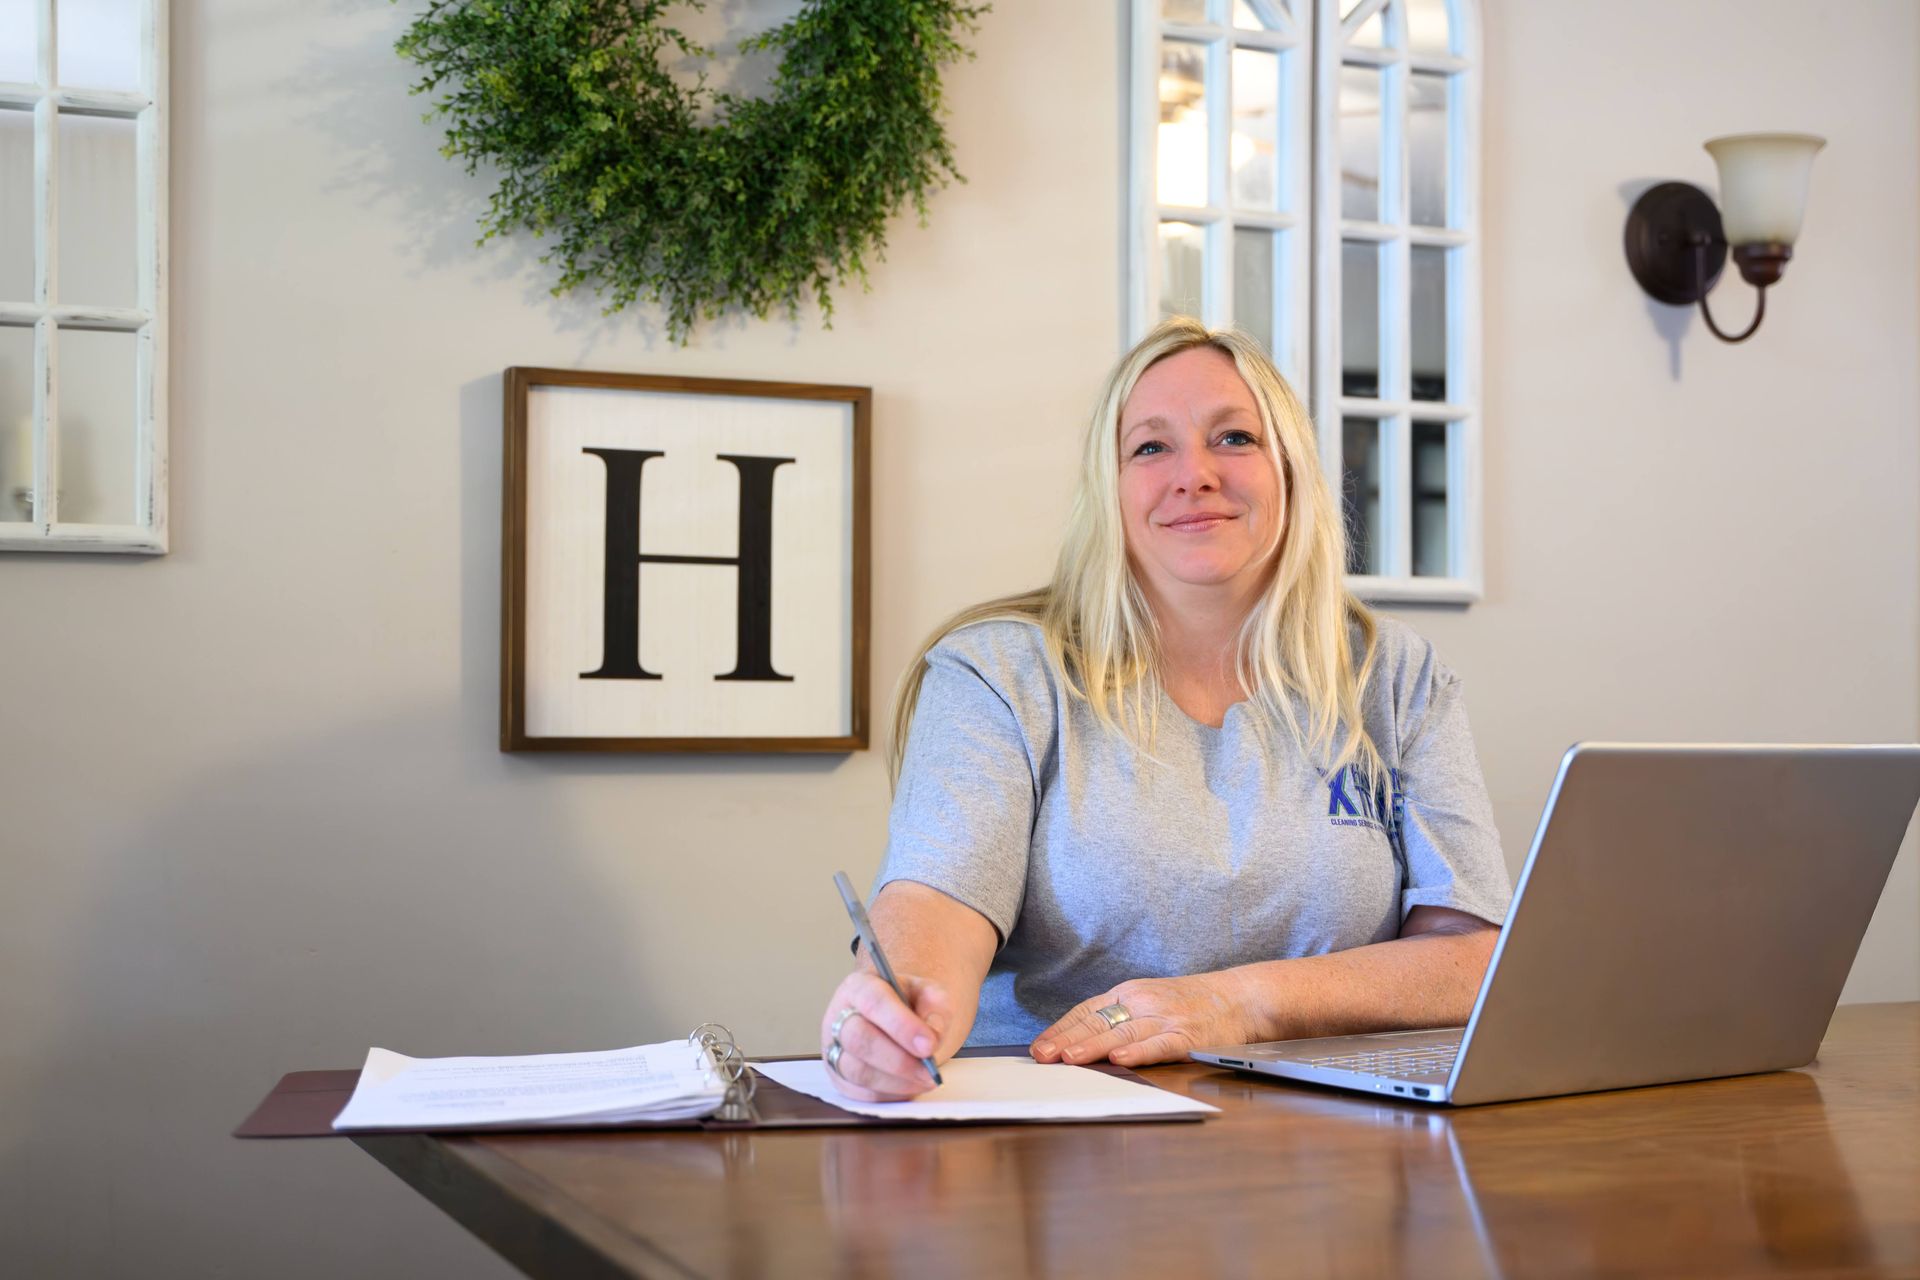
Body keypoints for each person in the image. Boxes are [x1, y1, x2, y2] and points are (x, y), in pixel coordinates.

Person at [820, 317, 1512, 1102]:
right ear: (1108, 489)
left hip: (1333, 1134)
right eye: (1151, 447)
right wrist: (898, 1007)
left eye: (1234, 439)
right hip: (1055, 1128)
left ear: (1290, 468)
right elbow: (936, 899)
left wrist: (1232, 1004)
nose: (1195, 475)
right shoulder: (997, 671)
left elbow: (1469, 955)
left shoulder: (1394, 675)